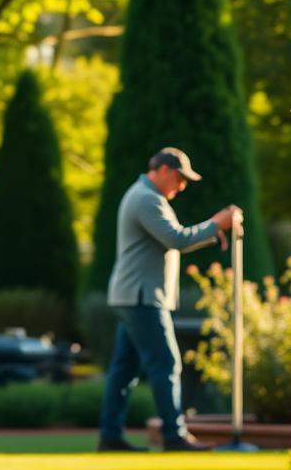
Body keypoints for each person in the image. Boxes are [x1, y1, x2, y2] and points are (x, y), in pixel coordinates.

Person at [97, 147, 243, 452]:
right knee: (166, 362)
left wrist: (211, 230)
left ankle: (110, 437)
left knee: (124, 369)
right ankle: (174, 437)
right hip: (142, 298)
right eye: (180, 178)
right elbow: (176, 238)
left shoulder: (143, 195)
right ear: (162, 170)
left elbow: (173, 238)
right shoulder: (147, 199)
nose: (182, 185)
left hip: (131, 295)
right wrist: (217, 223)